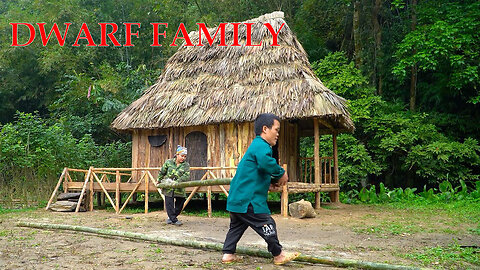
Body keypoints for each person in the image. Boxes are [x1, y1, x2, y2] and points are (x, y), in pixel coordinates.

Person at [221, 113, 300, 265]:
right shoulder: (261, 146)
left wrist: (269, 182)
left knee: (237, 226)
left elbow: (257, 172)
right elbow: (265, 163)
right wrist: (281, 173)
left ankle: (228, 254)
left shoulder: (256, 147)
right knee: (267, 223)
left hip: (238, 198)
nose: (278, 134)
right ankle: (278, 254)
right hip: (248, 199)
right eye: (276, 130)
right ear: (265, 129)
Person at [157, 145, 190, 226]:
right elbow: (162, 172)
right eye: (182, 156)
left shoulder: (186, 165)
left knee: (180, 203)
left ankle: (171, 217)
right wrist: (159, 180)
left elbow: (186, 176)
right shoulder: (169, 162)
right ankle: (174, 220)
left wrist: (177, 182)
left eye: (185, 156)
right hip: (168, 187)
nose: (183, 158)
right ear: (177, 155)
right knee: (169, 204)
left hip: (179, 188)